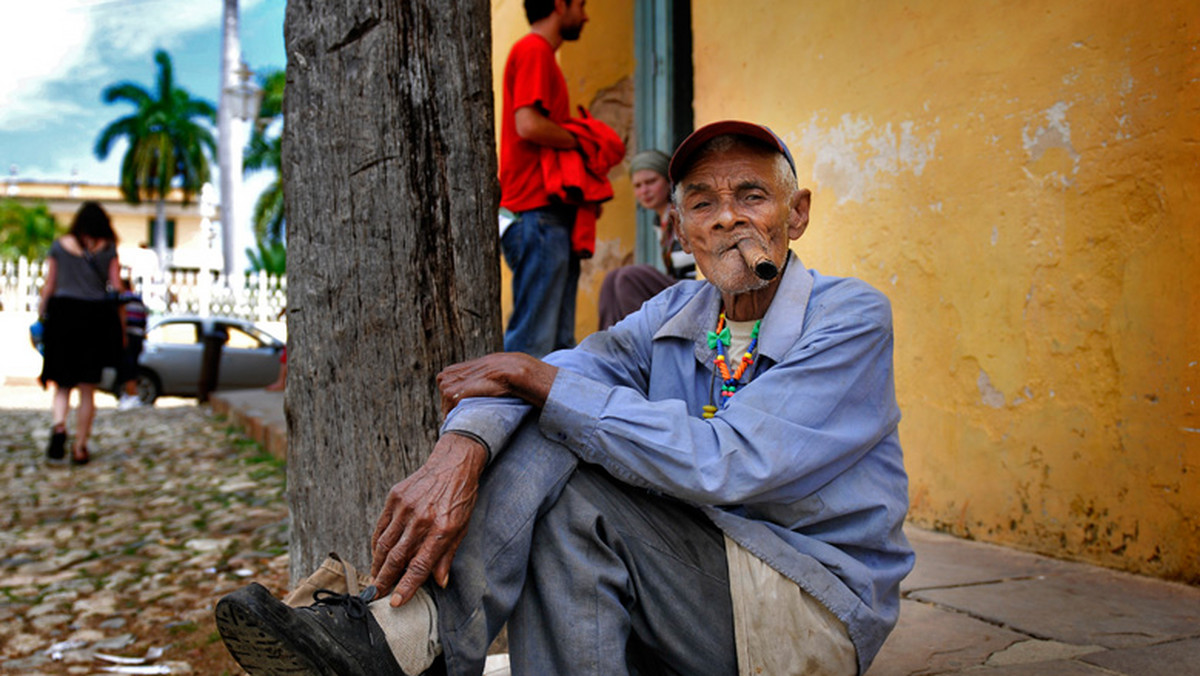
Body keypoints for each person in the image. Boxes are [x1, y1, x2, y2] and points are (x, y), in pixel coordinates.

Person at [215, 121, 913, 676]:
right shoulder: (676, 312)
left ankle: (410, 637)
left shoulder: (847, 317)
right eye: (703, 202)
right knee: (562, 441)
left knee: (573, 462)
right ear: (681, 229)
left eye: (752, 196)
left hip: (804, 611)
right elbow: (566, 370)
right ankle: (406, 636)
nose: (728, 218)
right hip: (691, 586)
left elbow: (726, 462)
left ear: (798, 214)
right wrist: (465, 445)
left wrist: (536, 382)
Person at [498, 0, 590, 358]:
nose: (585, 15)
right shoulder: (534, 50)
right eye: (580, 5)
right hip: (536, 211)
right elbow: (528, 124)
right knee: (534, 346)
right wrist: (580, 141)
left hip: (541, 213)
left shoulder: (540, 54)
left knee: (556, 347)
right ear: (558, 4)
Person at [38, 201, 124, 465]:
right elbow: (117, 287)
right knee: (88, 389)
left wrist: (43, 314)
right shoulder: (108, 248)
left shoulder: (59, 246)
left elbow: (50, 285)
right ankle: (80, 447)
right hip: (94, 318)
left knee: (63, 384)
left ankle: (60, 427)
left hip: (63, 316)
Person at [596, 149, 694, 330]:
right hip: (679, 290)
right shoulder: (660, 221)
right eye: (638, 185)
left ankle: (640, 343)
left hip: (697, 292)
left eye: (651, 182)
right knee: (611, 279)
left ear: (669, 182)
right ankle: (607, 343)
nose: (644, 191)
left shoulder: (684, 214)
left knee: (629, 277)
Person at [116, 276, 148, 410]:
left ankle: (131, 395)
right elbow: (145, 318)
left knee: (127, 367)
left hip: (128, 335)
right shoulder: (138, 299)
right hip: (139, 336)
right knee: (133, 366)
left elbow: (121, 318)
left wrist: (122, 336)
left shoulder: (123, 299)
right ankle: (131, 395)